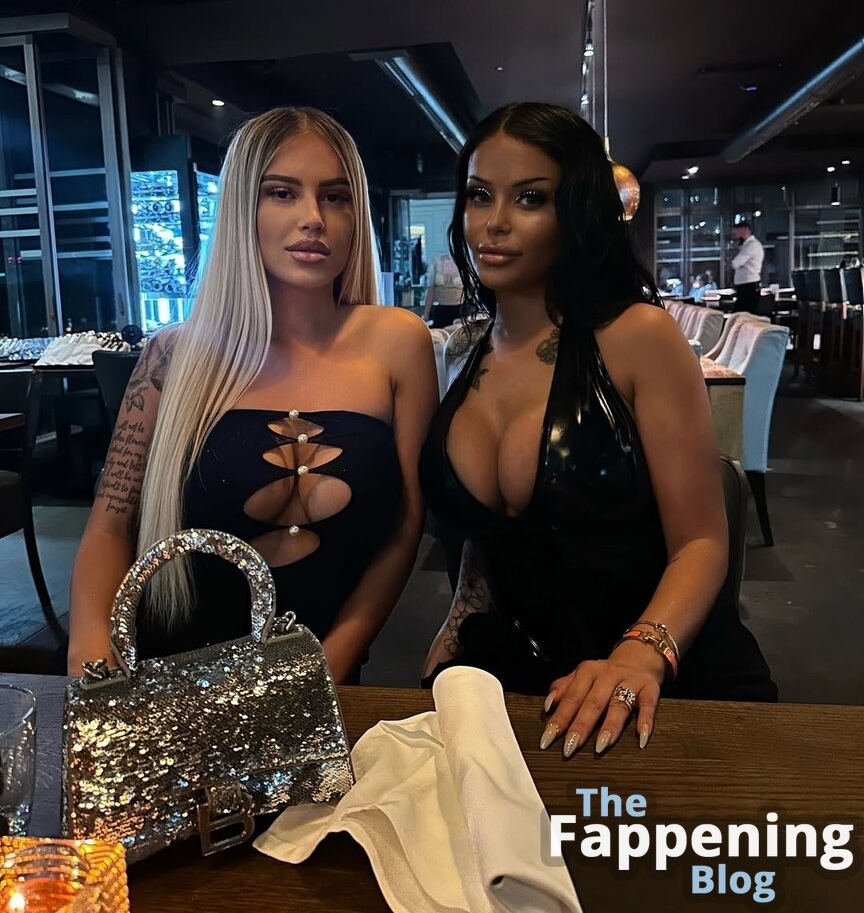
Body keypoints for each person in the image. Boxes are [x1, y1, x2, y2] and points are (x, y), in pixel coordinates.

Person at [419, 102, 776, 760]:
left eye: (530, 198)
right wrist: (454, 629)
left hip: (670, 687)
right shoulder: (463, 355)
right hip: (526, 688)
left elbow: (701, 542)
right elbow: (488, 541)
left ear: (578, 211)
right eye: (479, 195)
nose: (494, 222)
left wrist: (641, 653)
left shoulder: (638, 336)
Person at [68, 106, 438, 681]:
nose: (313, 218)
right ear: (242, 208)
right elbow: (110, 525)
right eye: (282, 193)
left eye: (335, 197)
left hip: (323, 684)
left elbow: (405, 528)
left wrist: (328, 664)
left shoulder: (399, 343)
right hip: (172, 675)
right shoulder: (173, 355)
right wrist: (90, 645)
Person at [730, 218, 764, 313]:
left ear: (744, 230)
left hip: (749, 286)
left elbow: (736, 263)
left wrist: (734, 251)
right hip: (744, 286)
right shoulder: (745, 245)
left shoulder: (751, 245)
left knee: (743, 314)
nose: (734, 236)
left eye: (736, 233)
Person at [423, 251, 464, 328]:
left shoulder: (468, 261)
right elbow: (431, 289)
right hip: (441, 311)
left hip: (462, 310)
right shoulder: (438, 261)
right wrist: (426, 313)